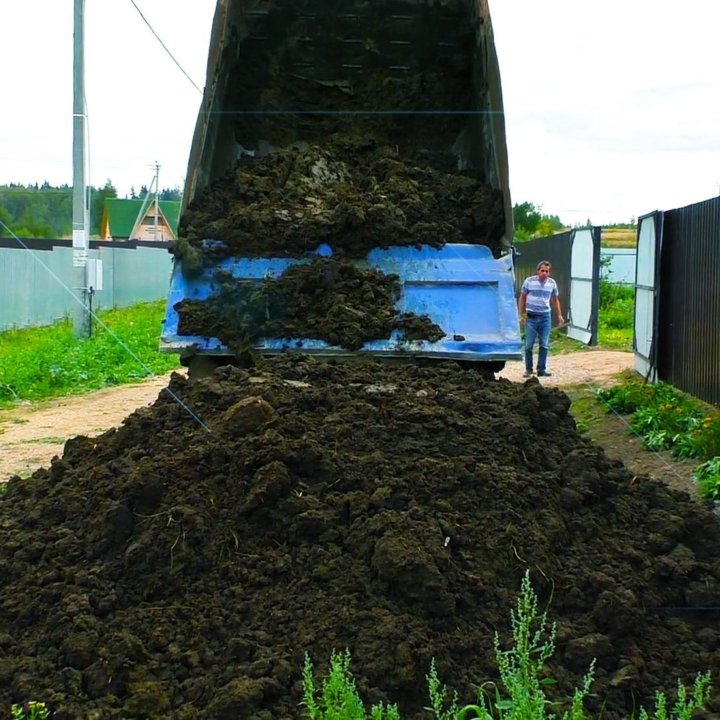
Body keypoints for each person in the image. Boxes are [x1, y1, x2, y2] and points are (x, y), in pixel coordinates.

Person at [518, 260, 564, 377]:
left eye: (547, 271)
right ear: (538, 271)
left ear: (549, 273)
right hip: (531, 317)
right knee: (529, 345)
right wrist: (522, 315)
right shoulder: (529, 281)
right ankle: (528, 369)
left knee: (544, 344)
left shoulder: (552, 283)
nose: (544, 273)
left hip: (545, 317)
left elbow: (555, 300)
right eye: (542, 270)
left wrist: (559, 315)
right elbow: (522, 298)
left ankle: (541, 370)